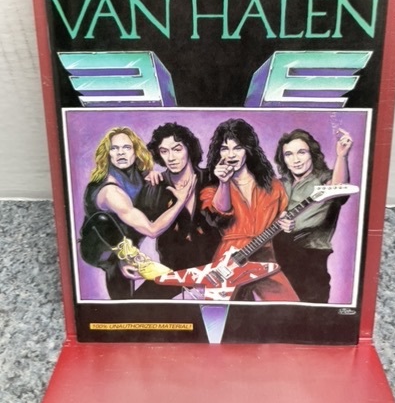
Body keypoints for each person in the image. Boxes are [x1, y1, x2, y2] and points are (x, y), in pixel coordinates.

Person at [80, 126, 195, 299]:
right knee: (104, 223)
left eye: (126, 147)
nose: (120, 153)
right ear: (108, 154)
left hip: (129, 241)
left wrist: (153, 176)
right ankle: (128, 265)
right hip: (99, 244)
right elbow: (152, 230)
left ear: (136, 152)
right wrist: (180, 201)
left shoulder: (140, 176)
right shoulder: (111, 191)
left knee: (158, 191)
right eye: (114, 148)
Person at [200, 119, 298, 302]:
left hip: (265, 257)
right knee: (220, 310)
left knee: (289, 307)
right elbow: (220, 213)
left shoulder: (274, 186)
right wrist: (224, 182)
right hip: (229, 260)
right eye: (224, 148)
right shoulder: (212, 189)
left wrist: (288, 224)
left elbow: (283, 216)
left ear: (248, 149)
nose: (231, 154)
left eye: (237, 148)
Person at [133, 122, 221, 299]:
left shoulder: (212, 179)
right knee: (137, 305)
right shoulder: (155, 186)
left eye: (177, 149)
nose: (171, 157)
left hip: (216, 272)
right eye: (164, 151)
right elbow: (135, 232)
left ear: (189, 149)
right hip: (173, 273)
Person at [273, 128, 353, 303]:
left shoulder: (324, 179)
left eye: (301, 152)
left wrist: (342, 156)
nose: (295, 160)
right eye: (288, 154)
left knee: (310, 310)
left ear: (312, 154)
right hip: (276, 258)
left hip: (310, 259)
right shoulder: (280, 184)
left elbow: (338, 188)